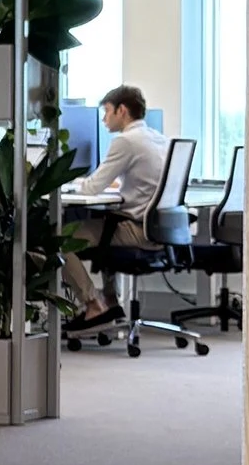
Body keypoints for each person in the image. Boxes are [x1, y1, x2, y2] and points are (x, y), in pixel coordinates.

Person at [60, 86, 170, 328]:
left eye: (107, 111)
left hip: (135, 230)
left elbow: (91, 188)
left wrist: (66, 183)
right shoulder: (158, 138)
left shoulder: (126, 141)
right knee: (105, 222)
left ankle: (93, 305)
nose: (103, 118)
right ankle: (110, 300)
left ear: (122, 110)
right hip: (158, 230)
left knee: (58, 240)